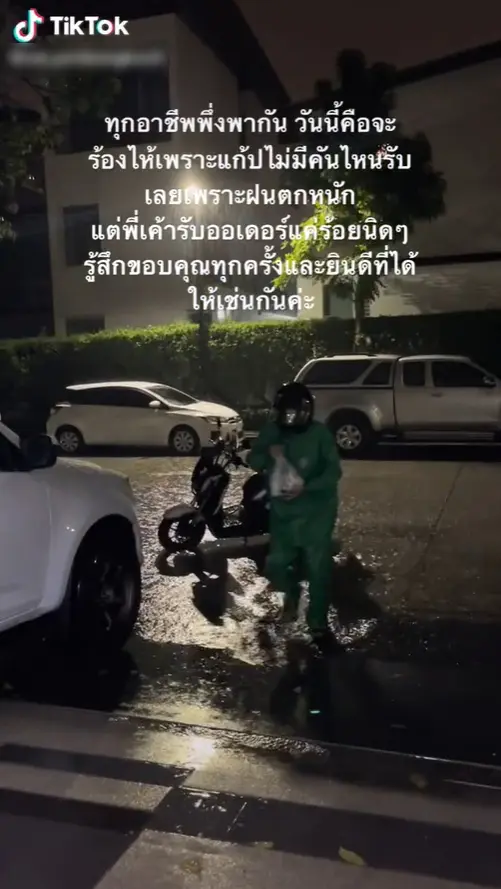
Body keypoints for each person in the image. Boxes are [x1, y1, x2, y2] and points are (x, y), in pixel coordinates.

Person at [248, 381, 342, 644]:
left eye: (292, 414)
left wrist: (307, 486)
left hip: (317, 512)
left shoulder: (320, 435)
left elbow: (334, 472)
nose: (287, 420)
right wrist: (268, 455)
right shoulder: (272, 431)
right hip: (283, 512)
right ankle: (291, 596)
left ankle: (318, 623)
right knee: (277, 564)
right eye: (283, 414)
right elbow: (253, 459)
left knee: (317, 568)